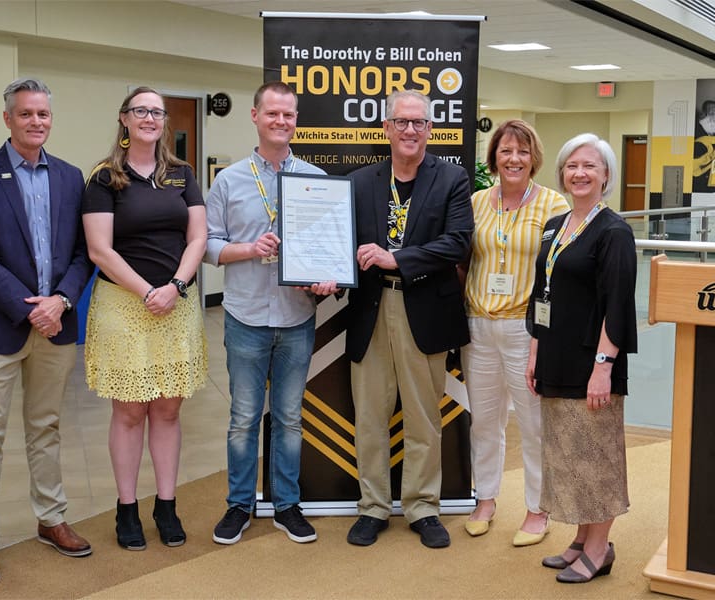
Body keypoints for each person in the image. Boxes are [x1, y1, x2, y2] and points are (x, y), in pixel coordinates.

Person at [0, 78, 93, 586]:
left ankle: (51, 518)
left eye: (44, 114)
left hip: (57, 325)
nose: (37, 121)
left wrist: (61, 301)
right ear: (7, 118)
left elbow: (83, 254)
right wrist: (27, 306)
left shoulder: (72, 178)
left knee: (47, 427)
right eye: (27, 113)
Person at [205, 81, 337, 545]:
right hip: (245, 316)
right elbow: (208, 246)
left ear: (296, 120)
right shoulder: (229, 180)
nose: (281, 121)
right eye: (273, 113)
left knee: (289, 417)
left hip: (297, 317)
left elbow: (328, 252)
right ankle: (240, 505)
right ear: (255, 116)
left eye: (289, 115)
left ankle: (286, 505)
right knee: (243, 417)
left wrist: (327, 278)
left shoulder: (316, 181)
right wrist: (248, 248)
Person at [344, 89, 474, 549]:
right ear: (386, 128)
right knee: (370, 416)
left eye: (419, 123)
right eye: (401, 122)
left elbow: (458, 243)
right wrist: (321, 273)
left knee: (423, 418)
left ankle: (422, 506)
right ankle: (373, 507)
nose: (410, 131)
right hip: (370, 310)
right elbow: (343, 247)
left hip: (425, 309)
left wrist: (395, 257)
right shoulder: (359, 183)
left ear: (430, 130)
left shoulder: (452, 179)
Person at [83, 86, 208, 551]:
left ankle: (167, 505)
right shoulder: (104, 178)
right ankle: (127, 508)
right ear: (125, 119)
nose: (150, 118)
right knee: (131, 410)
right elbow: (100, 249)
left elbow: (198, 237)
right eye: (141, 111)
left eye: (157, 112)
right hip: (124, 307)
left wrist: (174, 288)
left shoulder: (182, 174)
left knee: (169, 409)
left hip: (176, 306)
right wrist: (147, 292)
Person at [525, 133, 637, 583]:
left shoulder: (614, 232)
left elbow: (618, 305)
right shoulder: (555, 225)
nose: (580, 173)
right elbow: (541, 295)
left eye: (590, 165)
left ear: (606, 175)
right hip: (555, 360)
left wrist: (603, 369)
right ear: (562, 174)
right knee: (568, 457)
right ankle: (581, 539)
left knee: (597, 459)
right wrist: (535, 352)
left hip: (593, 366)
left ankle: (599, 549)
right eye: (572, 166)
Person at [461, 120, 569, 546]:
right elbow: (464, 259)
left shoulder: (553, 204)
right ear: (494, 158)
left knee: (534, 423)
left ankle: (538, 509)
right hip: (479, 324)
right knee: (484, 422)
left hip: (527, 330)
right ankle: (485, 499)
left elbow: (562, 273)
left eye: (522, 152)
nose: (514, 159)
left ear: (534, 158)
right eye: (506, 151)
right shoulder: (476, 203)